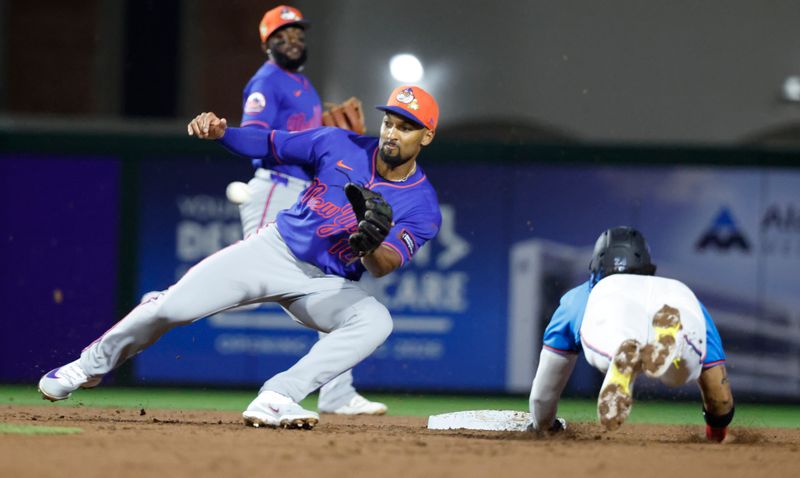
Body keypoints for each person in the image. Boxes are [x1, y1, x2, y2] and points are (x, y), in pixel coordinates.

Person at [38, 85, 442, 430]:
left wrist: (370, 243)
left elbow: (385, 263)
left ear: (426, 137)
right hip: (276, 250)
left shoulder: (423, 205)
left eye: (406, 127)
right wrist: (222, 132)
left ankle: (277, 396)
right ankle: (84, 368)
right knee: (173, 308)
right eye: (389, 121)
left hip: (326, 283)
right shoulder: (339, 144)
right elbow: (269, 143)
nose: (392, 132)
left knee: (375, 320)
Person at [143, 5, 382, 415]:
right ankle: (165, 301)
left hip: (302, 192)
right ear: (266, 43)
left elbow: (305, 139)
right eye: (282, 35)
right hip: (277, 187)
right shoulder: (266, 81)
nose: (292, 40)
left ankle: (338, 393)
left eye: (297, 34)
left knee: (327, 281)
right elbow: (256, 133)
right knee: (253, 281)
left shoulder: (302, 84)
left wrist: (333, 133)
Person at [528, 226, 734, 442]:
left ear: (596, 265)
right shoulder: (680, 295)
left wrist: (544, 426)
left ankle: (620, 354)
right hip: (673, 303)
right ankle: (676, 346)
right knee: (680, 371)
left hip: (606, 312)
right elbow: (719, 397)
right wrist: (717, 434)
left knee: (608, 343)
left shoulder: (579, 298)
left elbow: (543, 394)